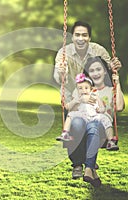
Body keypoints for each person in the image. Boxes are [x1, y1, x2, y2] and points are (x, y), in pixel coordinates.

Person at [53, 21, 123, 181]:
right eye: (77, 34)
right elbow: (59, 79)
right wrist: (62, 72)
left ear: (89, 37)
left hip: (95, 97)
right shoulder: (63, 53)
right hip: (74, 98)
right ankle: (78, 164)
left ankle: (89, 163)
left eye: (84, 35)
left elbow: (108, 68)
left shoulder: (99, 50)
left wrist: (113, 66)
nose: (80, 38)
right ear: (72, 37)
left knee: (95, 126)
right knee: (76, 127)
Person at [56, 73, 106, 143]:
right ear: (77, 90)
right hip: (81, 116)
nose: (83, 90)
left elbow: (102, 108)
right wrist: (77, 101)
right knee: (70, 115)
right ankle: (65, 133)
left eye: (86, 88)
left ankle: (108, 138)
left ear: (91, 89)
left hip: (93, 116)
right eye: (80, 88)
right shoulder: (77, 98)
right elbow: (68, 107)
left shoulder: (94, 97)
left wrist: (99, 110)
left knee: (104, 119)